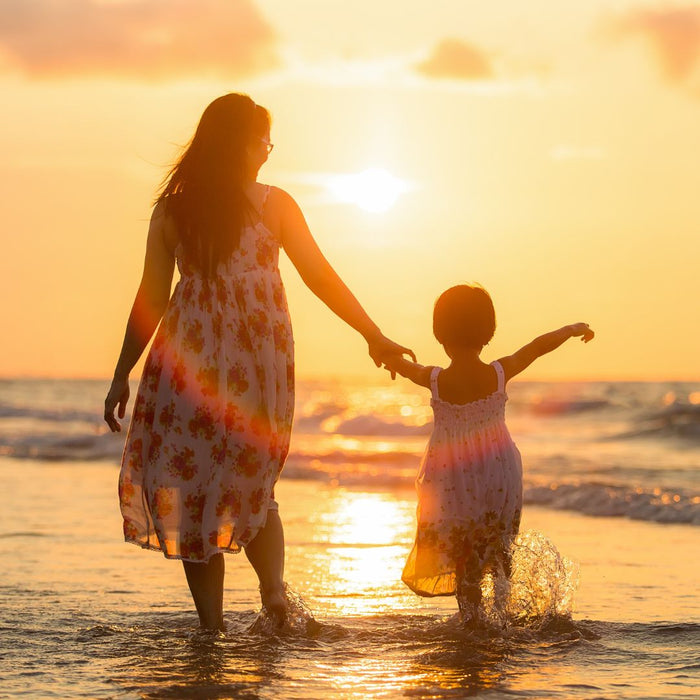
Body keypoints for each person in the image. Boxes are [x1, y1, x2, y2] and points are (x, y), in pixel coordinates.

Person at [103, 93, 414, 631]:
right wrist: (372, 335)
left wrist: (121, 373)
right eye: (263, 139)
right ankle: (273, 599)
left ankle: (212, 628)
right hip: (256, 364)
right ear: (239, 143)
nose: (268, 152)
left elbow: (151, 298)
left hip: (188, 366)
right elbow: (319, 276)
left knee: (194, 486)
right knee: (251, 481)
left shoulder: (175, 208)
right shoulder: (273, 204)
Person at [382, 284, 594, 624]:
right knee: (499, 547)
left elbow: (405, 367)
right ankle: (502, 616)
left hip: (452, 479)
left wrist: (385, 356)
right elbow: (537, 347)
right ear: (487, 332)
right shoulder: (498, 373)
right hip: (499, 473)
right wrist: (571, 330)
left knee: (464, 555)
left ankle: (474, 621)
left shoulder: (435, 379)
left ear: (440, 334)